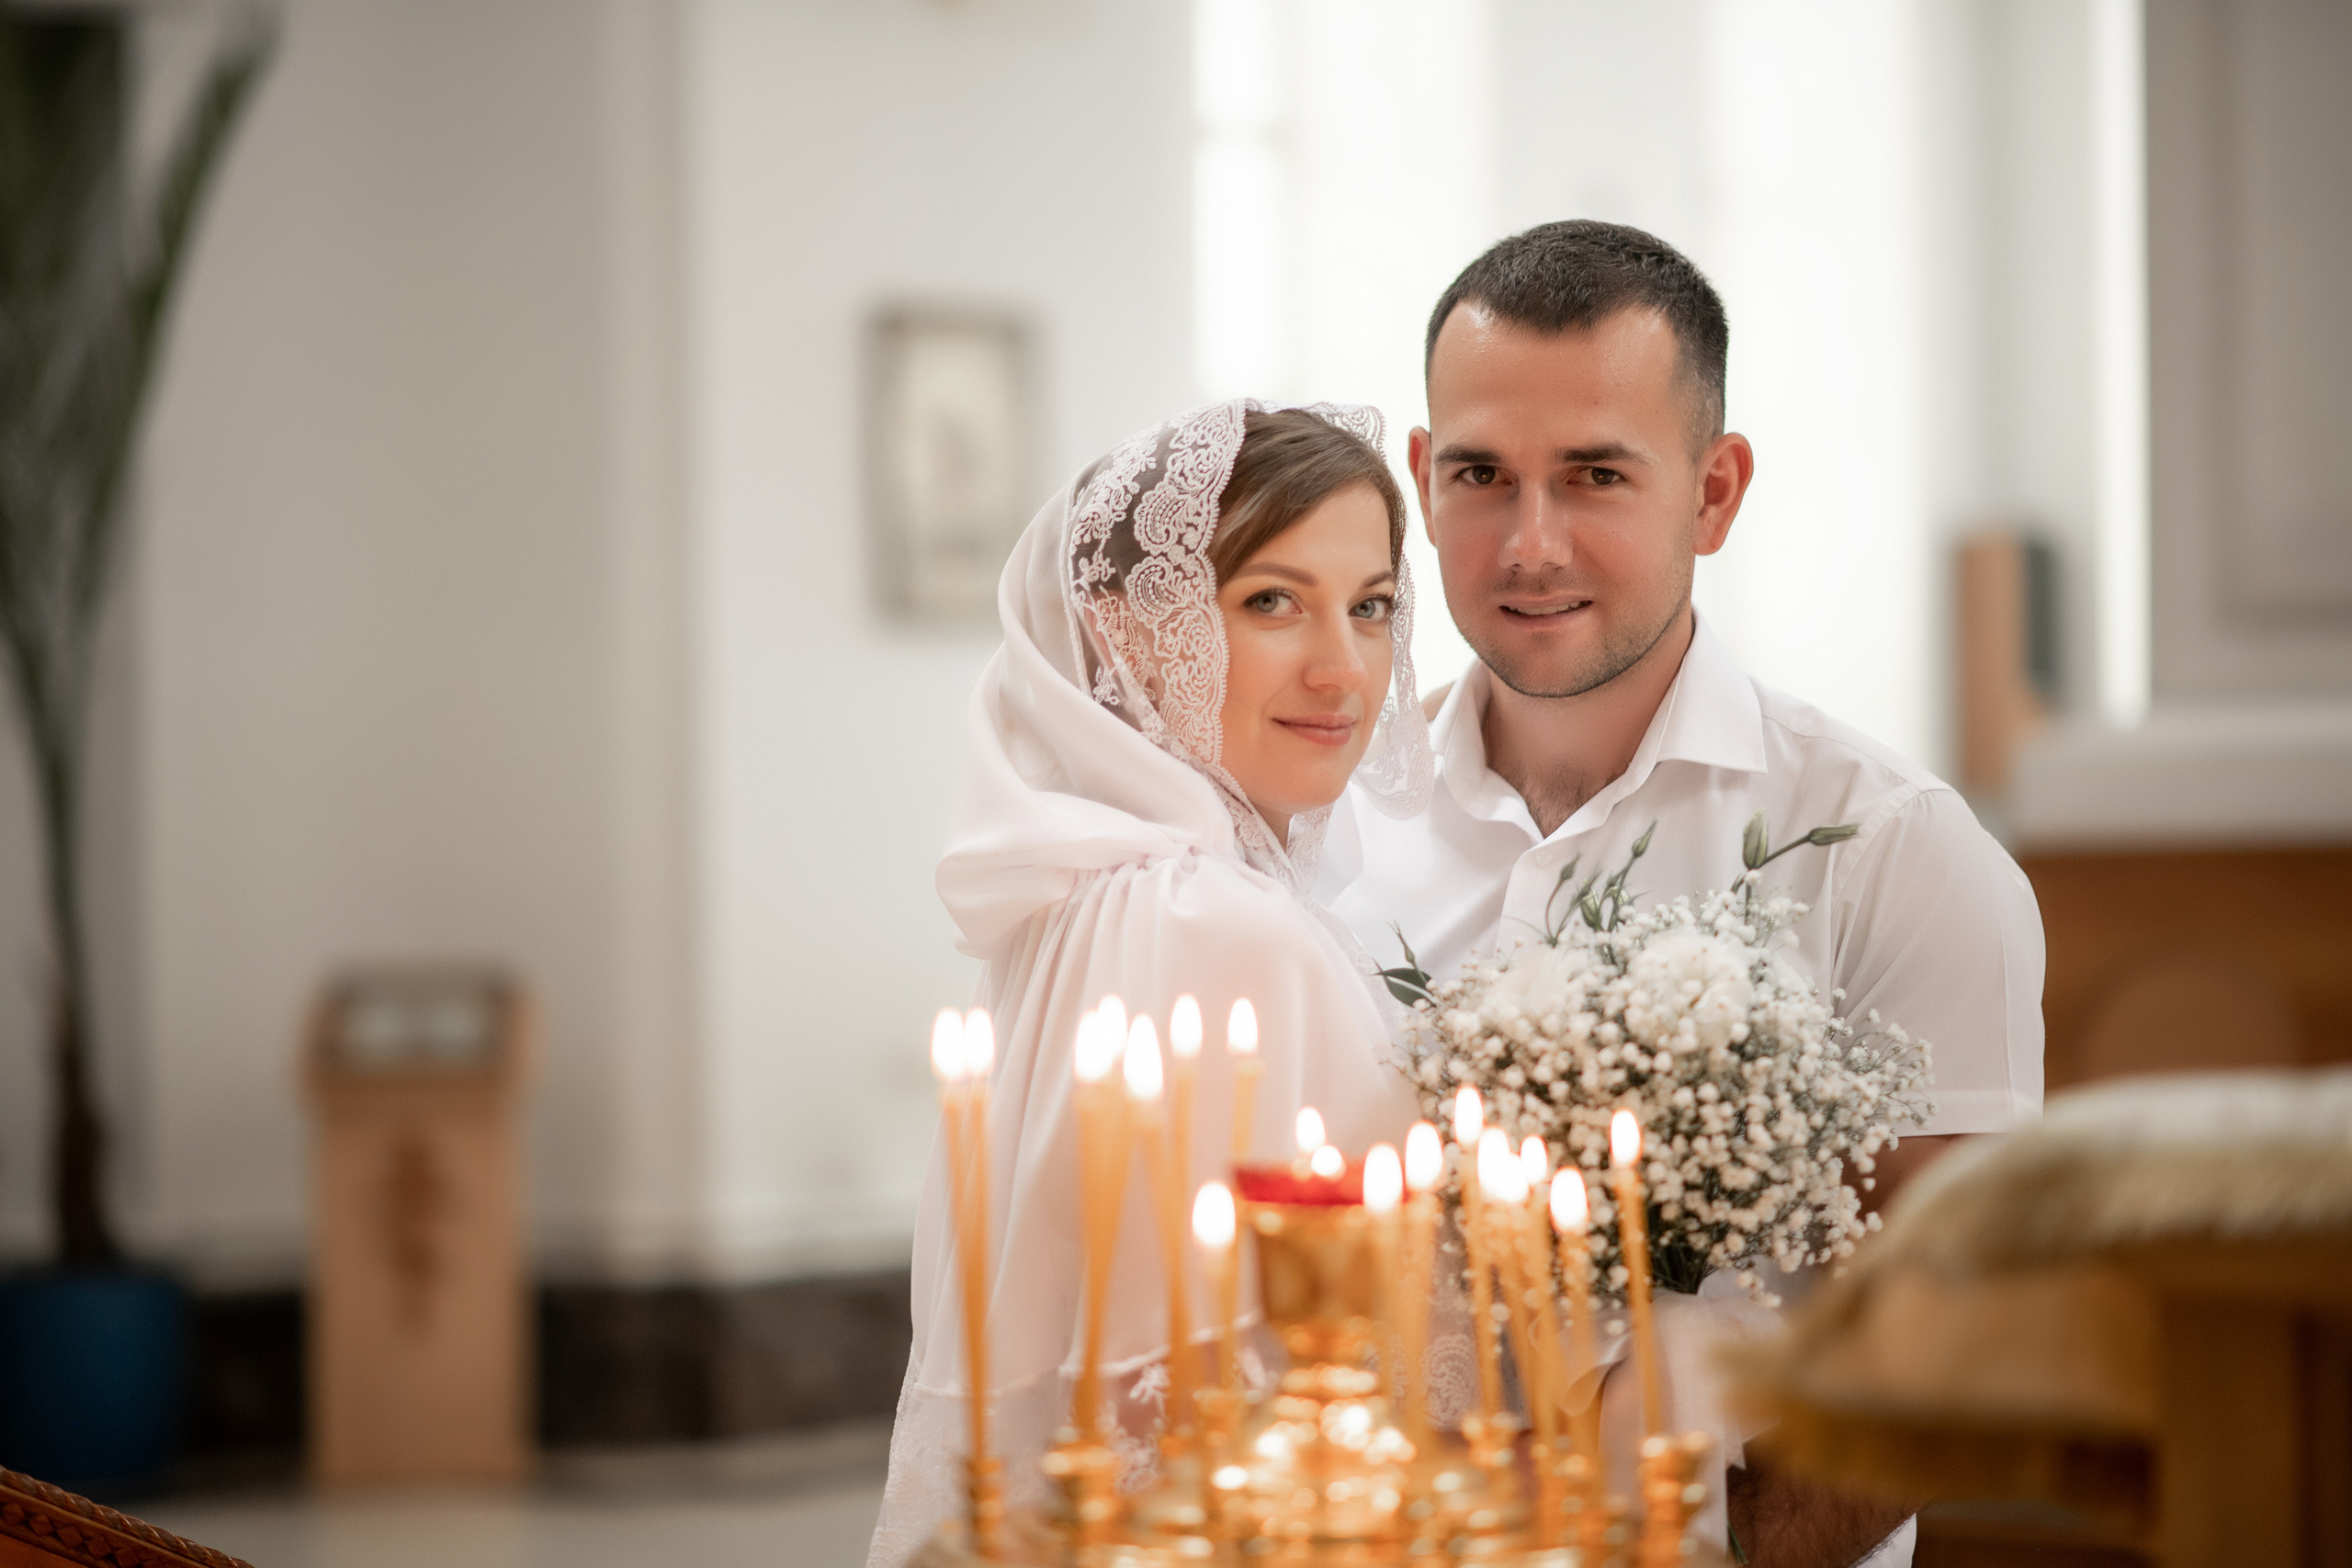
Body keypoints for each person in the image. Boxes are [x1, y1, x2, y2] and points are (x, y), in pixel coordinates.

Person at [1317, 221, 2047, 1568]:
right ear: (1421, 481)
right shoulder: (1322, 830)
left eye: (1596, 474)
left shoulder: (1895, 851)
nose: (1530, 542)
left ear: (1715, 492)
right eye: (1480, 473)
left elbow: (1954, 1335)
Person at [869, 401, 1432, 1568]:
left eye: (1371, 606)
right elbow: (1238, 1385)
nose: (1341, 668)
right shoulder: (1214, 923)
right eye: (1270, 601)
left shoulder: (1087, 888)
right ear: (1126, 629)